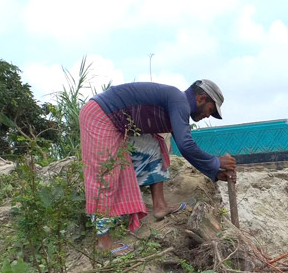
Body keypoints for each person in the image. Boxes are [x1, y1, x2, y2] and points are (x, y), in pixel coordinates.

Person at [80, 79, 237, 253]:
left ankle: (160, 206)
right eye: (211, 110)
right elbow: (186, 145)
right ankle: (103, 243)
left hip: (116, 122)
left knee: (155, 146)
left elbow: (186, 147)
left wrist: (215, 172)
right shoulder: (179, 101)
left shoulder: (177, 106)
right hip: (100, 115)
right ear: (201, 98)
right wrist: (216, 161)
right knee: (105, 173)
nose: (208, 116)